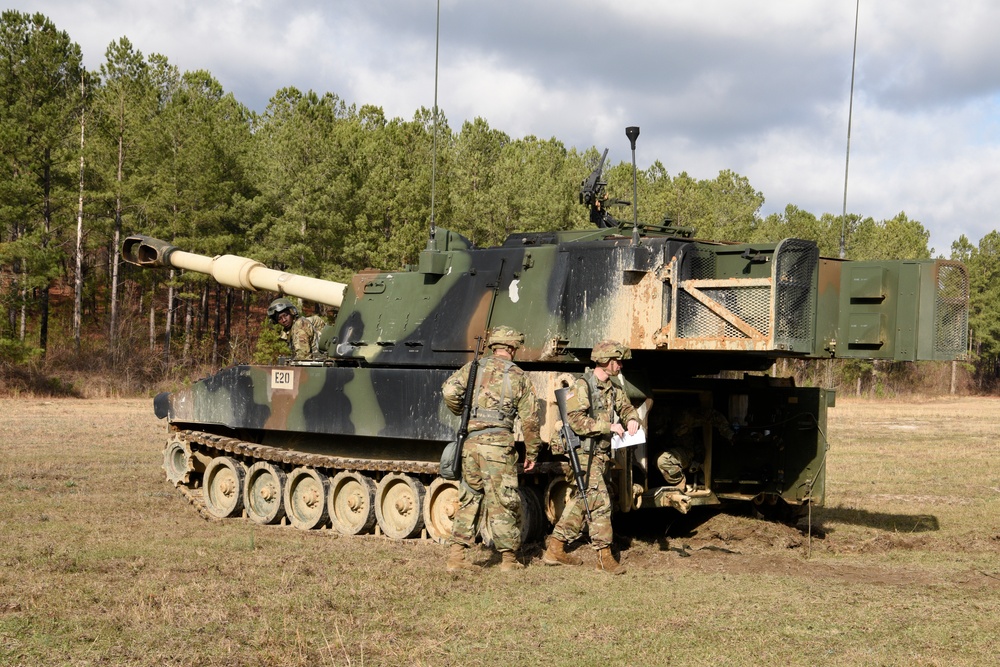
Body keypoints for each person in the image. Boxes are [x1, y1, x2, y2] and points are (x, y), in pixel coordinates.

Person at [441, 326, 542, 573]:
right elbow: (530, 421)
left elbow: (449, 391)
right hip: (498, 446)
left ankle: (456, 558)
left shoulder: (473, 369)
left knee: (468, 498)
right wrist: (532, 453)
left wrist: (464, 413)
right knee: (503, 500)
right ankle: (508, 560)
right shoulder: (518, 376)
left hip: (471, 443)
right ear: (511, 348)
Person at [542, 339, 640, 574]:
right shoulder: (583, 386)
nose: (620, 366)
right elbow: (575, 420)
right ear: (605, 361)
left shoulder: (614, 388)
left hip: (601, 455)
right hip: (585, 454)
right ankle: (604, 557)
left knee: (582, 502)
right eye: (617, 361)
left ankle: (555, 547)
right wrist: (607, 427)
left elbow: (626, 408)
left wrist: (632, 419)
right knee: (600, 503)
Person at [656, 406, 734, 491]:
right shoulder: (650, 423)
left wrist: (729, 434)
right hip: (667, 452)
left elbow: (712, 415)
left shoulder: (682, 417)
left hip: (686, 453)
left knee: (662, 460)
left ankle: (679, 481)